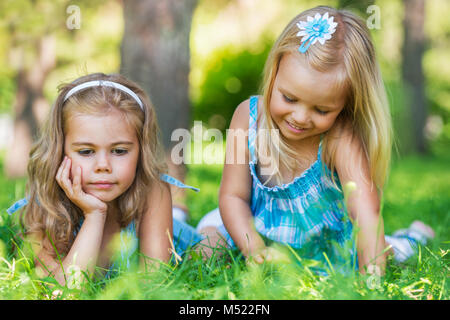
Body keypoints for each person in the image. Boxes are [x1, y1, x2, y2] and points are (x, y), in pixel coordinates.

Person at [196, 6, 435, 275]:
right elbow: (233, 196)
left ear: (345, 104)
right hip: (253, 229)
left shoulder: (339, 139)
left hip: (323, 250)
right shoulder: (248, 118)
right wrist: (254, 249)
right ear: (274, 73)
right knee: (206, 247)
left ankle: (413, 237)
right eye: (289, 98)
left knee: (390, 255)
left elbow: (366, 216)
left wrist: (372, 283)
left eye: (321, 110)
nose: (299, 117)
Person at [7, 73, 205, 286]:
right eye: (86, 151)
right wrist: (94, 215)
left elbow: (154, 282)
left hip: (173, 238)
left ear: (141, 151)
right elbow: (61, 290)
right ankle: (179, 213)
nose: (103, 166)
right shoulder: (48, 203)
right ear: (60, 151)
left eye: (119, 151)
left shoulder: (152, 190)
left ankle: (186, 218)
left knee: (212, 244)